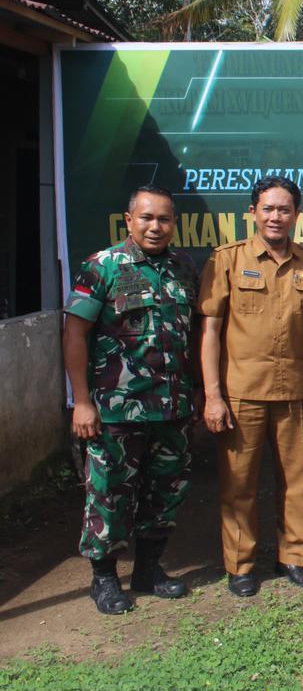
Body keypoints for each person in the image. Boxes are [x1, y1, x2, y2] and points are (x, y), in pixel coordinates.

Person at [198, 176, 303, 597]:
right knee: (238, 484)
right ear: (252, 213)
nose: (276, 216)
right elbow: (210, 330)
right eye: (268, 209)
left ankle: (292, 557)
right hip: (241, 393)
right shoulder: (225, 260)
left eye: (284, 209)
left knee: (297, 483)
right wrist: (212, 394)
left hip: (297, 392)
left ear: (297, 215)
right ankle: (240, 566)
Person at [63, 185, 199, 614]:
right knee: (109, 494)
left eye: (164, 219)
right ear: (129, 220)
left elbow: (188, 334)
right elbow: (74, 334)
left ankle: (148, 570)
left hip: (171, 407)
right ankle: (103, 579)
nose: (156, 227)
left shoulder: (182, 267)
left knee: (166, 490)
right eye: (147, 218)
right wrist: (81, 401)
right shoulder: (103, 267)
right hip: (116, 408)